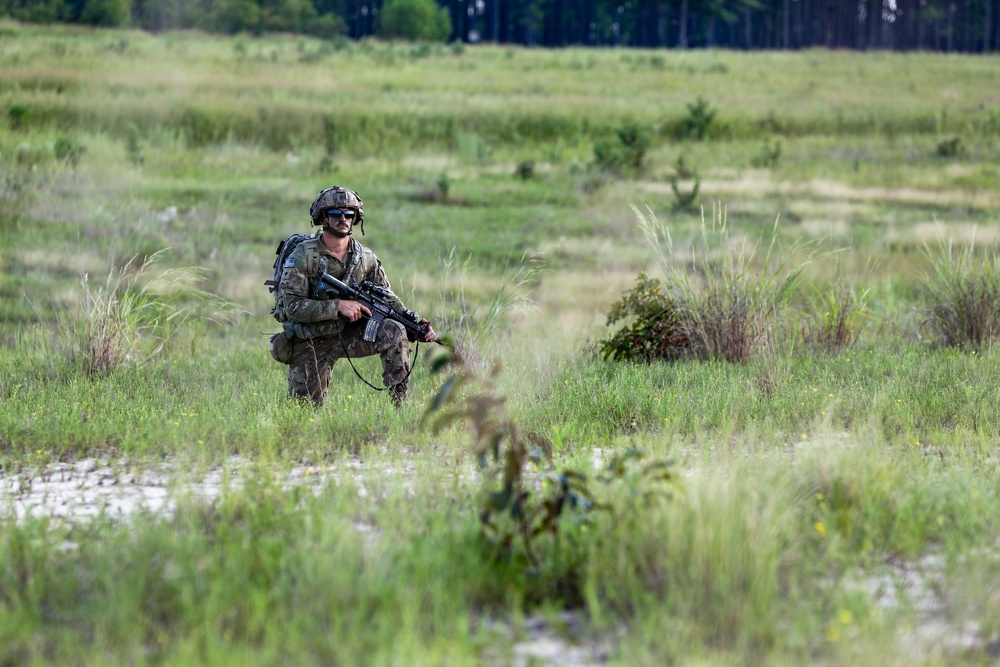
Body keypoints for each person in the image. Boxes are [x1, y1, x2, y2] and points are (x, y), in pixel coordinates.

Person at [274, 186, 437, 407]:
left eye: (349, 214)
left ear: (355, 218)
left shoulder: (365, 258)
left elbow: (386, 299)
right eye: (335, 214)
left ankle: (400, 406)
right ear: (323, 217)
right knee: (302, 411)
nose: (343, 219)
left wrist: (413, 326)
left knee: (394, 329)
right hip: (311, 339)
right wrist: (338, 306)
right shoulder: (304, 256)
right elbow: (292, 306)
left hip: (351, 334)